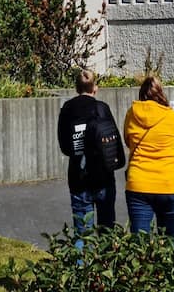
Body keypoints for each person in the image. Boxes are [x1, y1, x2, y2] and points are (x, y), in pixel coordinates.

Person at [57, 69, 119, 238]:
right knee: (107, 231)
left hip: (79, 177)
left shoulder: (68, 109)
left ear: (76, 88)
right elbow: (114, 140)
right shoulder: (102, 109)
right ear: (95, 88)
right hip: (104, 177)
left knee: (81, 233)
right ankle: (106, 263)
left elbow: (65, 147)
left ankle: (79, 264)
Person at [123, 74, 174, 238]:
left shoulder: (132, 114)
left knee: (139, 245)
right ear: (161, 93)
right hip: (168, 182)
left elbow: (128, 141)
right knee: (169, 240)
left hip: (138, 183)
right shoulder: (171, 116)